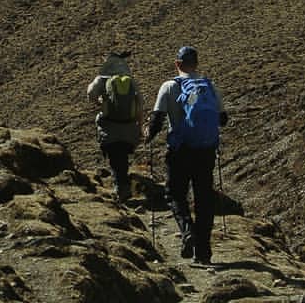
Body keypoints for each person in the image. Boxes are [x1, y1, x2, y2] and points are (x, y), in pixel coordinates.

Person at [146, 45, 228, 264]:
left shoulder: (170, 86)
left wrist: (147, 136)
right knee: (204, 199)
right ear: (197, 63)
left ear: (177, 64)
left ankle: (187, 232)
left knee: (175, 194)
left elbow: (157, 120)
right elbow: (223, 119)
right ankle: (204, 253)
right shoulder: (209, 86)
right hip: (206, 151)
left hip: (180, 151)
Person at [87, 51, 142, 201]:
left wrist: (100, 101)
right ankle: (123, 187)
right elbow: (139, 106)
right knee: (121, 159)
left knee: (115, 160)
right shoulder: (130, 81)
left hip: (109, 127)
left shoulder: (101, 79)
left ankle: (121, 190)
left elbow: (90, 95)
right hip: (129, 127)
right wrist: (140, 128)